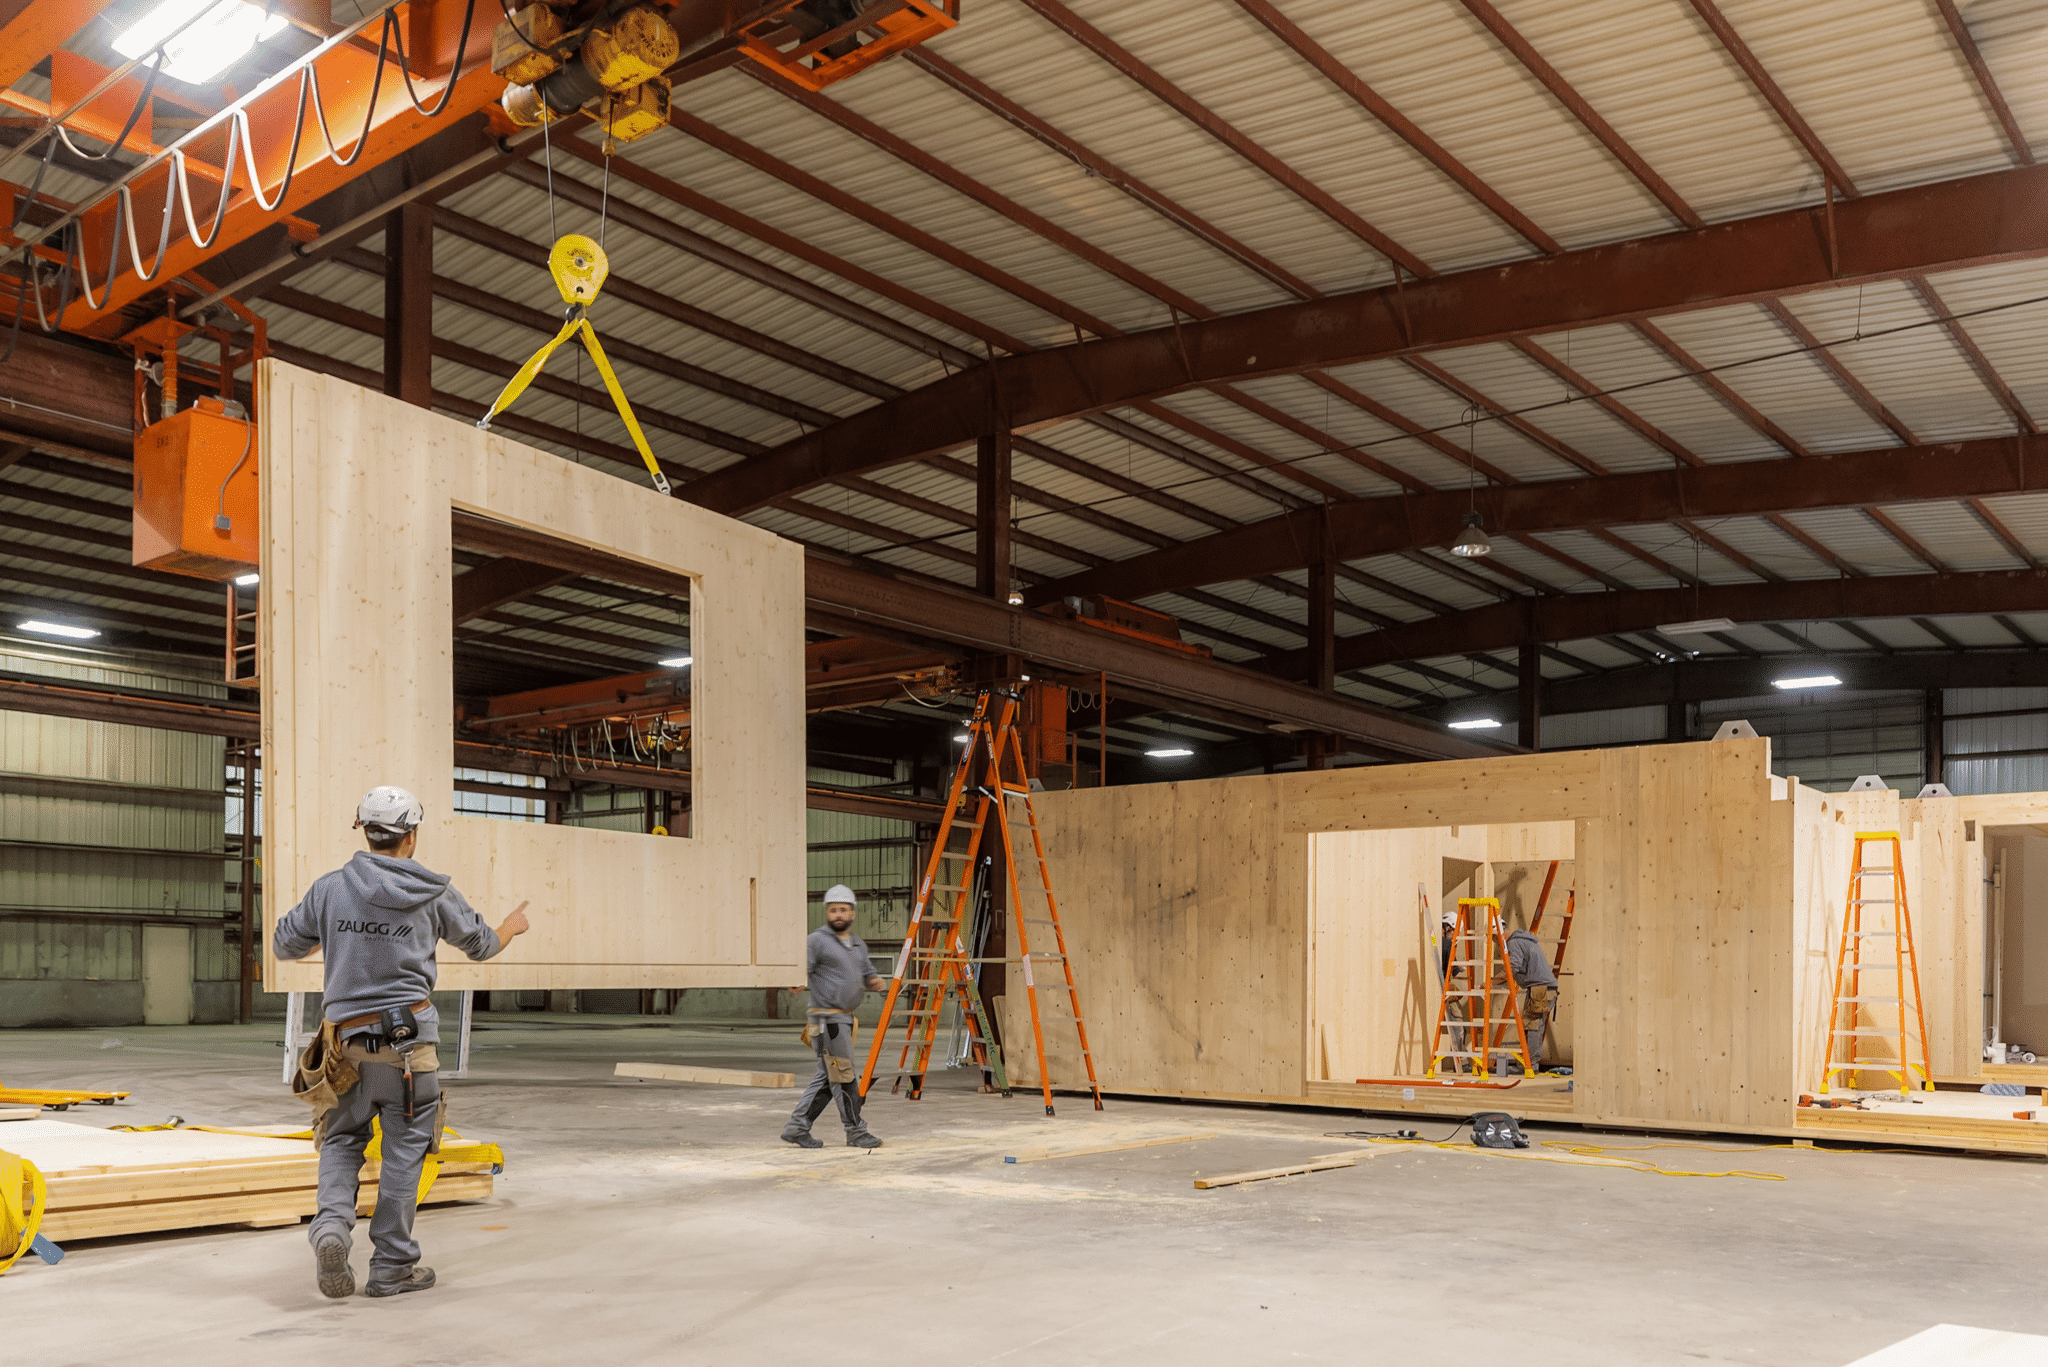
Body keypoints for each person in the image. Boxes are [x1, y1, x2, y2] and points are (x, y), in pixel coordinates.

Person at [273, 785, 531, 1300]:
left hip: (344, 1048)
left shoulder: (330, 889)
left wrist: (333, 932)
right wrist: (511, 926)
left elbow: (285, 944)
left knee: (342, 1140)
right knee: (404, 1152)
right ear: (411, 835)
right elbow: (481, 944)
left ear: (365, 832)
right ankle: (390, 1266)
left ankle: (329, 1232)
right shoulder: (433, 893)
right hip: (410, 1050)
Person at [781, 884, 884, 1150]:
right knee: (845, 1076)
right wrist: (796, 982)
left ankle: (797, 1127)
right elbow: (800, 969)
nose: (838, 914)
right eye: (833, 910)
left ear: (852, 914)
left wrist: (874, 981)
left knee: (829, 1076)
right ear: (827, 913)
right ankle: (856, 1132)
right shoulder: (816, 941)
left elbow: (867, 972)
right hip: (827, 1020)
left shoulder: (858, 944)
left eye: (843, 910)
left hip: (846, 1020)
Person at [1492, 917, 1559, 1075]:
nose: (1495, 943)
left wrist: (1491, 983)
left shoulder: (1514, 943)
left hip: (1540, 989)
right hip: (1540, 988)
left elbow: (1512, 968)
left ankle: (1530, 1064)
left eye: (1494, 939)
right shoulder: (1522, 940)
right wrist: (1496, 981)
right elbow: (1512, 971)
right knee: (1533, 1026)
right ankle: (1530, 1062)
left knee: (1533, 1026)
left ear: (1499, 935)